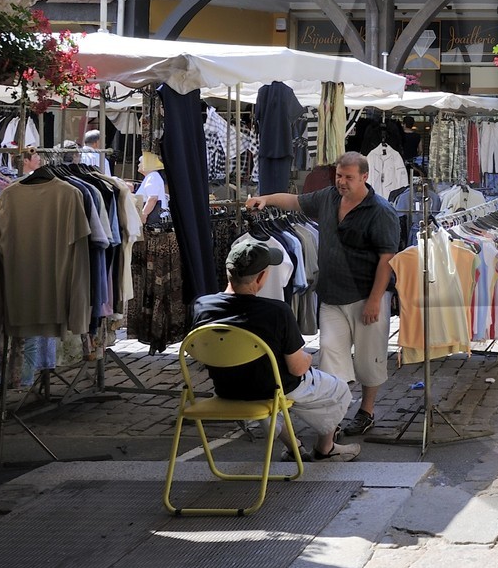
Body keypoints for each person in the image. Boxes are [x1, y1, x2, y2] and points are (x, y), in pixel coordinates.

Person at [248, 151, 400, 438]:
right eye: (339, 176)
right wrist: (266, 199)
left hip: (368, 295)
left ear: (364, 177)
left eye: (348, 178)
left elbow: (386, 259)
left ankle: (367, 411)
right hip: (331, 295)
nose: (342, 182)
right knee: (331, 356)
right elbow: (294, 202)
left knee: (370, 360)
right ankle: (335, 415)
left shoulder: (380, 211)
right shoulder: (329, 197)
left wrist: (374, 300)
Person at [191, 240, 360, 462]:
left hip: (228, 388)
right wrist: (308, 358)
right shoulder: (276, 312)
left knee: (261, 397)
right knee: (338, 388)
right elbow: (297, 368)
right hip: (274, 389)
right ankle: (325, 448)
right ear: (261, 278)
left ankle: (294, 447)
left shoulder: (201, 306)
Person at [136, 151, 170, 228]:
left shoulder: (153, 177)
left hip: (153, 220)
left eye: (140, 162)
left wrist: (144, 214)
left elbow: (153, 198)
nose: (138, 165)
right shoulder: (150, 177)